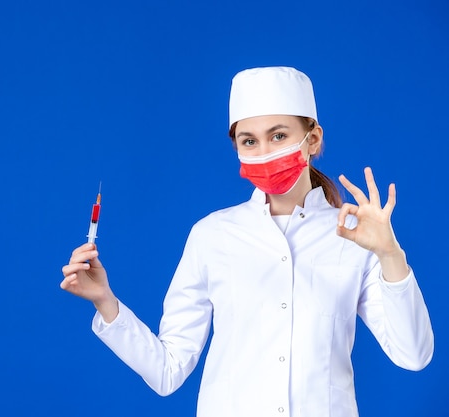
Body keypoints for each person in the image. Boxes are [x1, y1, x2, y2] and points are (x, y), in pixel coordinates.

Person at [60, 66, 434, 417]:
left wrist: (389, 253)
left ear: (313, 138)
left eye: (279, 135)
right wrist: (106, 303)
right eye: (249, 141)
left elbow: (414, 355)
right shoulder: (212, 235)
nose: (265, 152)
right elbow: (167, 372)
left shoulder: (355, 235)